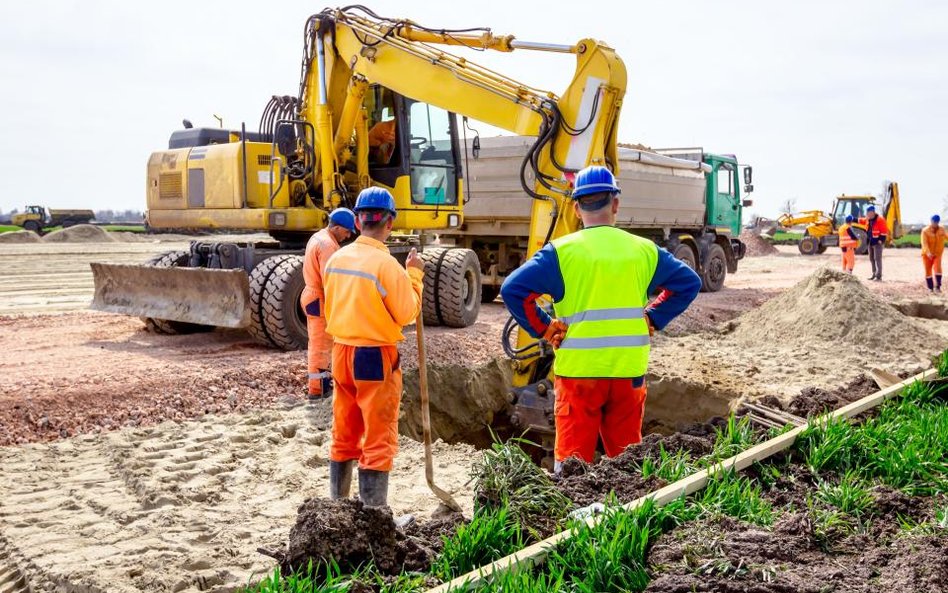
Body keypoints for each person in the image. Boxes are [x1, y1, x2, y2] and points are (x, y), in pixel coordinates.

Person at [500, 165, 702, 471]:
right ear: (615, 204)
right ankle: (629, 512)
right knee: (626, 465)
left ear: (577, 208)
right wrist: (653, 318)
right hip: (627, 371)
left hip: (580, 374)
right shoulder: (644, 251)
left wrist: (546, 327)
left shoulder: (561, 252)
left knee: (572, 467)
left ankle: (573, 512)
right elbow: (688, 283)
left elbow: (513, 289)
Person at [323, 187, 424, 506]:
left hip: (340, 353)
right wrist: (415, 277)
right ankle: (374, 512)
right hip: (374, 357)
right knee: (378, 435)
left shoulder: (336, 260)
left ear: (356, 221)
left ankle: (338, 506)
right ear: (389, 222)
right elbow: (407, 313)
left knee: (344, 428)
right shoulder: (387, 266)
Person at [300, 208, 356, 401]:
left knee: (320, 343)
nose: (348, 235)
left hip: (312, 294)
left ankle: (322, 384)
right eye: (347, 231)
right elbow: (330, 280)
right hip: (320, 298)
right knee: (321, 345)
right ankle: (317, 390)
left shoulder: (319, 237)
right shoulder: (328, 246)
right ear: (338, 227)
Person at [921, 214, 946, 293]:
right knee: (928, 271)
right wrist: (928, 253)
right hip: (927, 255)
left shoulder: (942, 229)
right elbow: (924, 243)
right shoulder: (925, 231)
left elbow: (946, 236)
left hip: (937, 254)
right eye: (934, 222)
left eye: (937, 222)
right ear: (931, 221)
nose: (935, 223)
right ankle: (930, 288)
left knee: (938, 268)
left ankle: (938, 287)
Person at [863, 205, 888, 281]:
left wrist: (881, 240)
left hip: (877, 242)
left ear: (873, 212)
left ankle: (879, 275)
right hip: (870, 242)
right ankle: (874, 273)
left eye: (869, 213)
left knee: (877, 258)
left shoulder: (880, 220)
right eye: (867, 213)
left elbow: (884, 231)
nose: (867, 214)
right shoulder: (868, 219)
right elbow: (861, 220)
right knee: (871, 258)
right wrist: (853, 219)